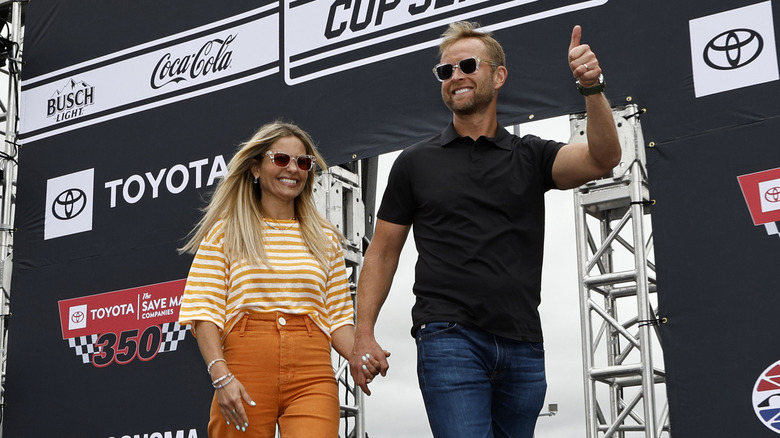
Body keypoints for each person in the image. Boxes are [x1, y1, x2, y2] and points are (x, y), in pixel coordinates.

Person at [348, 22, 621, 437]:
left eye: (468, 65)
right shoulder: (414, 163)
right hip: (448, 338)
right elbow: (383, 251)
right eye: (445, 71)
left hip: (524, 343)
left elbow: (603, 159)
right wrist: (362, 334)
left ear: (498, 75)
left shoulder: (530, 155)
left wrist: (591, 88)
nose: (456, 76)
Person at [178, 121, 377, 437]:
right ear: (256, 167)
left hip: (312, 367)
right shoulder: (225, 232)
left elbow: (337, 319)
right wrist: (221, 374)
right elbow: (204, 312)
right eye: (281, 159)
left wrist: (362, 353)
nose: (293, 169)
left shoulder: (325, 238)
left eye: (303, 162)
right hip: (245, 362)